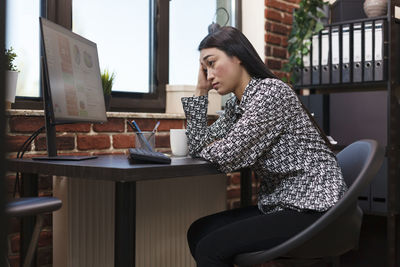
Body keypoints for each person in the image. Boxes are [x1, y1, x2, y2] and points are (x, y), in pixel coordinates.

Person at [181, 24, 348, 267]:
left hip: (313, 207)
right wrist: (200, 91)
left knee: (210, 247)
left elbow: (228, 155)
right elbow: (198, 144)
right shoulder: (236, 106)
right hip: (282, 203)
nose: (209, 75)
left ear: (237, 56)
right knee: (198, 231)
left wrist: (217, 145)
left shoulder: (269, 93)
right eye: (203, 69)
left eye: (212, 63)